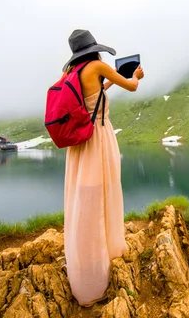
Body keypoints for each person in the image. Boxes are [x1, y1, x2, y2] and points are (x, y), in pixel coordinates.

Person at [62, 29, 144, 307]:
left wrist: (108, 84)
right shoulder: (97, 65)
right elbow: (131, 86)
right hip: (98, 139)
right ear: (93, 49)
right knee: (101, 197)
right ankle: (99, 275)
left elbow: (91, 97)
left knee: (84, 203)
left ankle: (85, 270)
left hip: (79, 146)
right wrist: (136, 76)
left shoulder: (70, 75)